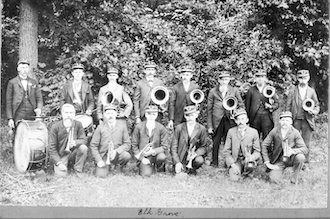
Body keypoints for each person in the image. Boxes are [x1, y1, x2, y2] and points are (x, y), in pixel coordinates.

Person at [207, 71, 244, 167]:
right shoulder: (213, 91)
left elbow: (241, 104)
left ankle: (228, 163)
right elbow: (209, 110)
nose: (224, 82)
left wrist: (235, 112)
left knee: (229, 142)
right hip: (217, 120)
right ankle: (214, 162)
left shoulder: (234, 90)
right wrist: (210, 126)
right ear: (219, 80)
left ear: (229, 80)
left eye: (226, 79)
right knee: (216, 142)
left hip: (230, 119)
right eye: (222, 79)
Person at [261, 111, 308, 184]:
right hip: (279, 160)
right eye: (283, 120)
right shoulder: (275, 131)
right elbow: (264, 145)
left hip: (291, 158)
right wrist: (267, 162)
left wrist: (292, 151)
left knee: (301, 157)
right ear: (279, 121)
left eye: (287, 120)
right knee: (273, 179)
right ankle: (280, 180)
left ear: (291, 122)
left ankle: (294, 179)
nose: (285, 122)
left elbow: (304, 149)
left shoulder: (295, 132)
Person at [285, 69, 320, 165]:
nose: (303, 80)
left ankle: (305, 163)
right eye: (300, 78)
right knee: (293, 141)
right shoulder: (292, 91)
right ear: (297, 79)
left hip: (307, 120)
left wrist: (313, 111)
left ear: (308, 78)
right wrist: (287, 119)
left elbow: (317, 105)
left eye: (305, 78)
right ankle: (292, 161)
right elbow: (287, 106)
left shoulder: (311, 91)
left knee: (306, 142)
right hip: (295, 120)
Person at [90, 104, 132, 178]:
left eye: (112, 113)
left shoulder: (122, 126)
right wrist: (99, 160)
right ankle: (108, 167)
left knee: (126, 155)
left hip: (117, 154)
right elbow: (93, 145)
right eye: (108, 113)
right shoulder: (100, 127)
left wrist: (116, 151)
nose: (110, 116)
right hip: (104, 155)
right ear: (105, 115)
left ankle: (118, 166)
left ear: (116, 114)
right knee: (100, 175)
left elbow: (127, 144)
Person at [49, 103, 88, 178]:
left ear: (74, 114)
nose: (68, 115)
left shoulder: (78, 124)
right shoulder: (55, 127)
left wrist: (75, 142)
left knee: (83, 148)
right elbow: (51, 148)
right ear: (62, 114)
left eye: (71, 113)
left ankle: (78, 170)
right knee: (61, 176)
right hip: (61, 155)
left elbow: (84, 140)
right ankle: (64, 165)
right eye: (66, 112)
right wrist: (59, 163)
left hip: (72, 152)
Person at [223, 108, 261, 181]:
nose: (241, 122)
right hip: (236, 160)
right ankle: (240, 172)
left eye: (243, 119)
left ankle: (247, 173)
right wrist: (233, 165)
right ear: (236, 121)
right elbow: (226, 151)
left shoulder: (253, 132)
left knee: (250, 165)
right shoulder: (231, 132)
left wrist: (251, 157)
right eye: (238, 119)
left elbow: (257, 151)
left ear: (247, 120)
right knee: (234, 179)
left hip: (248, 160)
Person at [132, 105, 169, 177]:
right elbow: (134, 145)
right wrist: (141, 158)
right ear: (145, 114)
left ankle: (159, 166)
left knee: (162, 157)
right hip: (144, 156)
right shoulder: (139, 127)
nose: (151, 116)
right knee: (146, 174)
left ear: (157, 115)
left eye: (153, 114)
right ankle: (144, 165)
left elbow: (165, 146)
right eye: (149, 114)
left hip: (156, 154)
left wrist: (153, 151)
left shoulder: (161, 128)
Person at [171, 105, 208, 175]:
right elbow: (173, 147)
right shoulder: (179, 128)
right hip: (181, 156)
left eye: (192, 115)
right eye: (187, 116)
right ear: (185, 116)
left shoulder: (201, 128)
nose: (190, 118)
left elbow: (204, 147)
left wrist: (196, 154)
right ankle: (181, 165)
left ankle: (193, 168)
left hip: (193, 156)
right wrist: (177, 162)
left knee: (199, 160)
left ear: (196, 115)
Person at [6, 59, 43, 128]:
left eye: (26, 68)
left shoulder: (34, 82)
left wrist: (39, 108)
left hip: (32, 113)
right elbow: (9, 101)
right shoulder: (12, 82)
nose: (25, 70)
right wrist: (10, 118)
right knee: (18, 135)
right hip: (18, 114)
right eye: (23, 68)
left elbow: (39, 98)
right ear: (18, 69)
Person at [245, 70, 279, 139]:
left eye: (262, 77)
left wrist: (271, 106)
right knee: (254, 137)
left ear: (265, 79)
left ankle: (266, 150)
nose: (260, 79)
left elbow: (277, 104)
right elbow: (247, 106)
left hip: (267, 117)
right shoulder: (251, 90)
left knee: (267, 137)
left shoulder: (269, 89)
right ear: (255, 79)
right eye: (258, 77)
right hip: (254, 117)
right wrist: (248, 118)